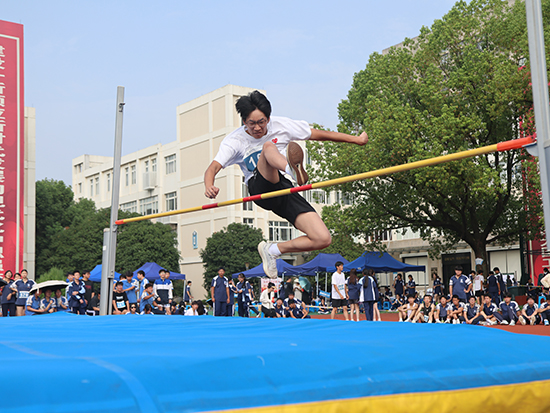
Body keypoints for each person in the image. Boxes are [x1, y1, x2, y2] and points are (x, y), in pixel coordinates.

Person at [203, 91, 368, 278]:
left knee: (322, 238)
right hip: (259, 188)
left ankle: (273, 250)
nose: (257, 128)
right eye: (251, 123)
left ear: (268, 118)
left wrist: (356, 140)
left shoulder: (281, 125)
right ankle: (291, 169)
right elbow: (212, 168)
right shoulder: (234, 141)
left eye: (261, 122)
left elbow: (318, 134)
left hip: (283, 188)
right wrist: (209, 185)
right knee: (268, 147)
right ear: (243, 122)